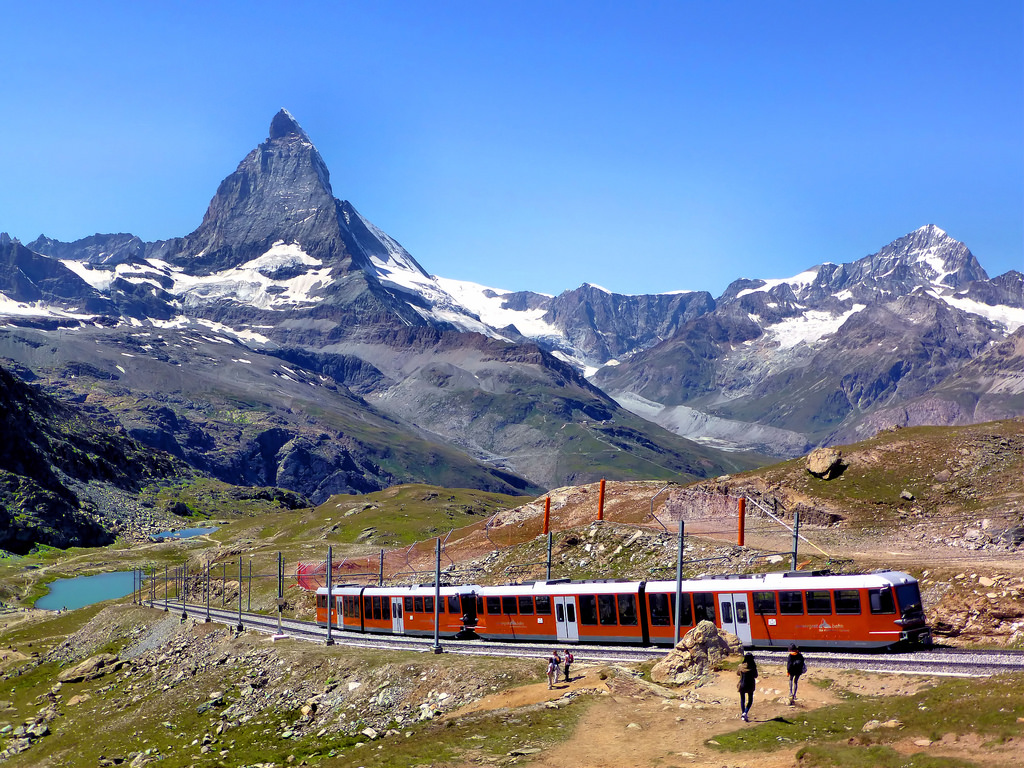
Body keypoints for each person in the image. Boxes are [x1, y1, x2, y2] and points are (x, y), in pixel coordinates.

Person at [736, 652, 758, 721]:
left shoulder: (741, 666)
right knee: (750, 700)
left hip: (742, 685)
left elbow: (737, 673)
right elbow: (756, 675)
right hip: (750, 685)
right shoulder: (753, 666)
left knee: (742, 700)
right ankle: (745, 712)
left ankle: (743, 714)